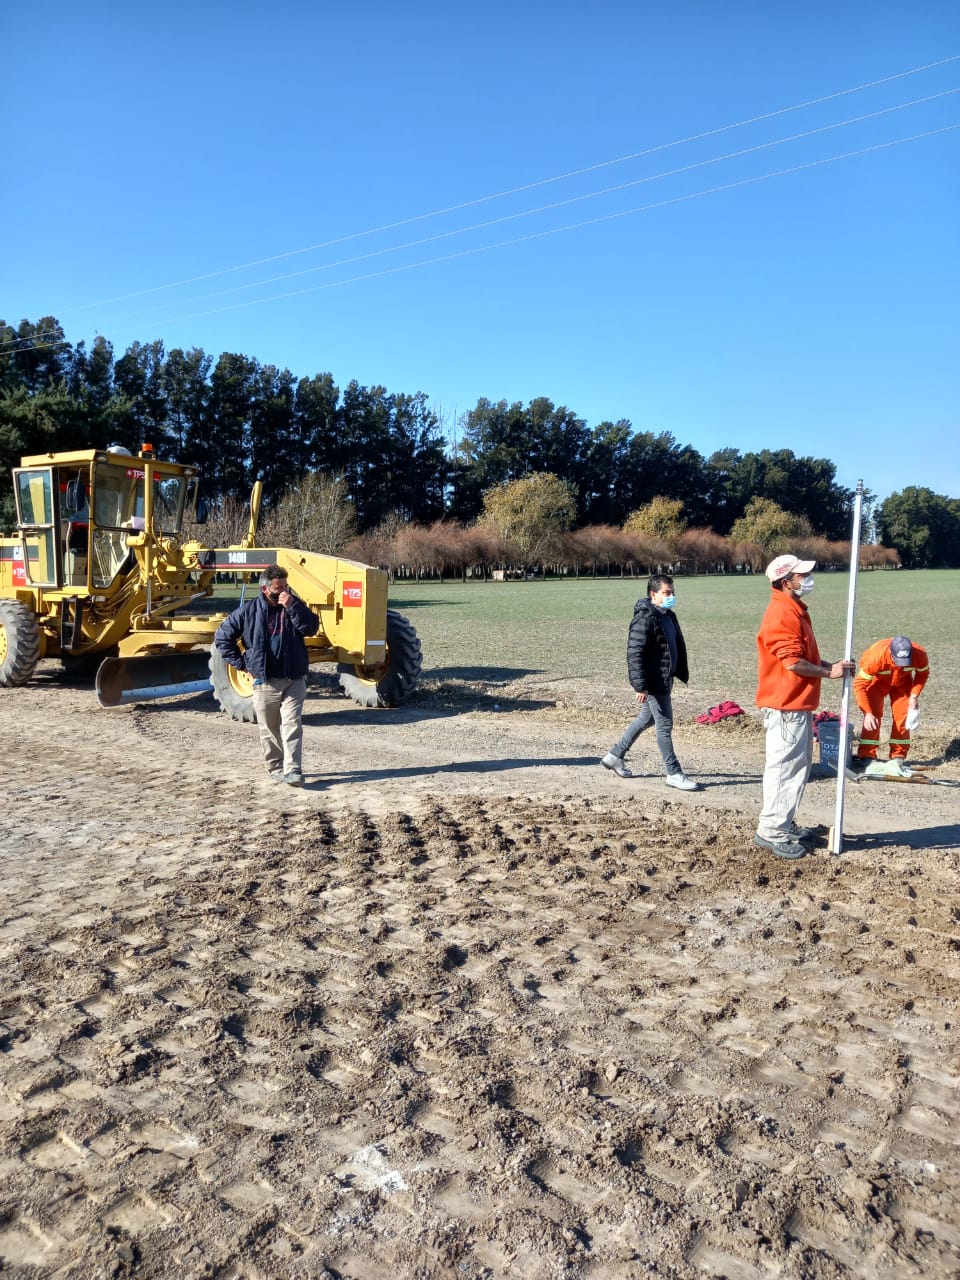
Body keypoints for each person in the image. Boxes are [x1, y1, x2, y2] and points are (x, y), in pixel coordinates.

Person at [754, 554, 853, 860]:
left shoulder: (792, 609)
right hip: (786, 705)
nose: (807, 579)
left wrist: (829, 665)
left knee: (795, 769)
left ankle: (782, 822)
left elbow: (803, 656)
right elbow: (793, 662)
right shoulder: (782, 614)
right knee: (785, 770)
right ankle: (771, 831)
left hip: (794, 703)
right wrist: (828, 672)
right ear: (786, 582)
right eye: (801, 575)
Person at [214, 565, 320, 786]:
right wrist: (243, 665)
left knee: (292, 723)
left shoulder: (293, 604)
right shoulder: (249, 611)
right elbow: (223, 637)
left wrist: (292, 607)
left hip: (294, 677)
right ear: (265, 589)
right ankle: (276, 768)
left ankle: (293, 770)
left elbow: (310, 628)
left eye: (285, 586)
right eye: (278, 587)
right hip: (265, 680)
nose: (283, 590)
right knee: (269, 728)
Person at [600, 573, 698, 791]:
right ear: (653, 594)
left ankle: (615, 755)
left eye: (672, 592)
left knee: (646, 718)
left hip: (664, 678)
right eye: (667, 593)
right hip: (654, 682)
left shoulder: (667, 615)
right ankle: (673, 772)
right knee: (664, 725)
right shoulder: (645, 617)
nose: (671, 596)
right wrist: (640, 685)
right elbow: (635, 653)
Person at [852, 636, 929, 774]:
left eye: (905, 662)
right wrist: (867, 712)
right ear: (890, 653)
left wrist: (914, 695)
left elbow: (922, 674)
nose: (901, 665)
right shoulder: (875, 658)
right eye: (898, 661)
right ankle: (867, 755)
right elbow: (859, 685)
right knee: (873, 717)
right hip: (876, 683)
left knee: (903, 718)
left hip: (903, 683)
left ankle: (898, 756)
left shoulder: (920, 654)